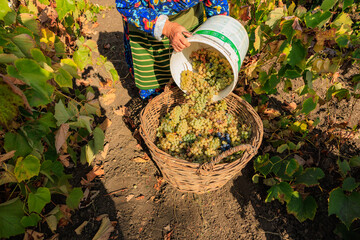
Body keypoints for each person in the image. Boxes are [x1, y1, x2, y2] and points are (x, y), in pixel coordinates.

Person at [115, 0, 229, 99]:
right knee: (156, 86)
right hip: (147, 29)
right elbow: (126, 5)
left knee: (191, 71)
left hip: (189, 23)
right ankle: (155, 101)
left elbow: (217, 5)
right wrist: (167, 28)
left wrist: (219, 32)